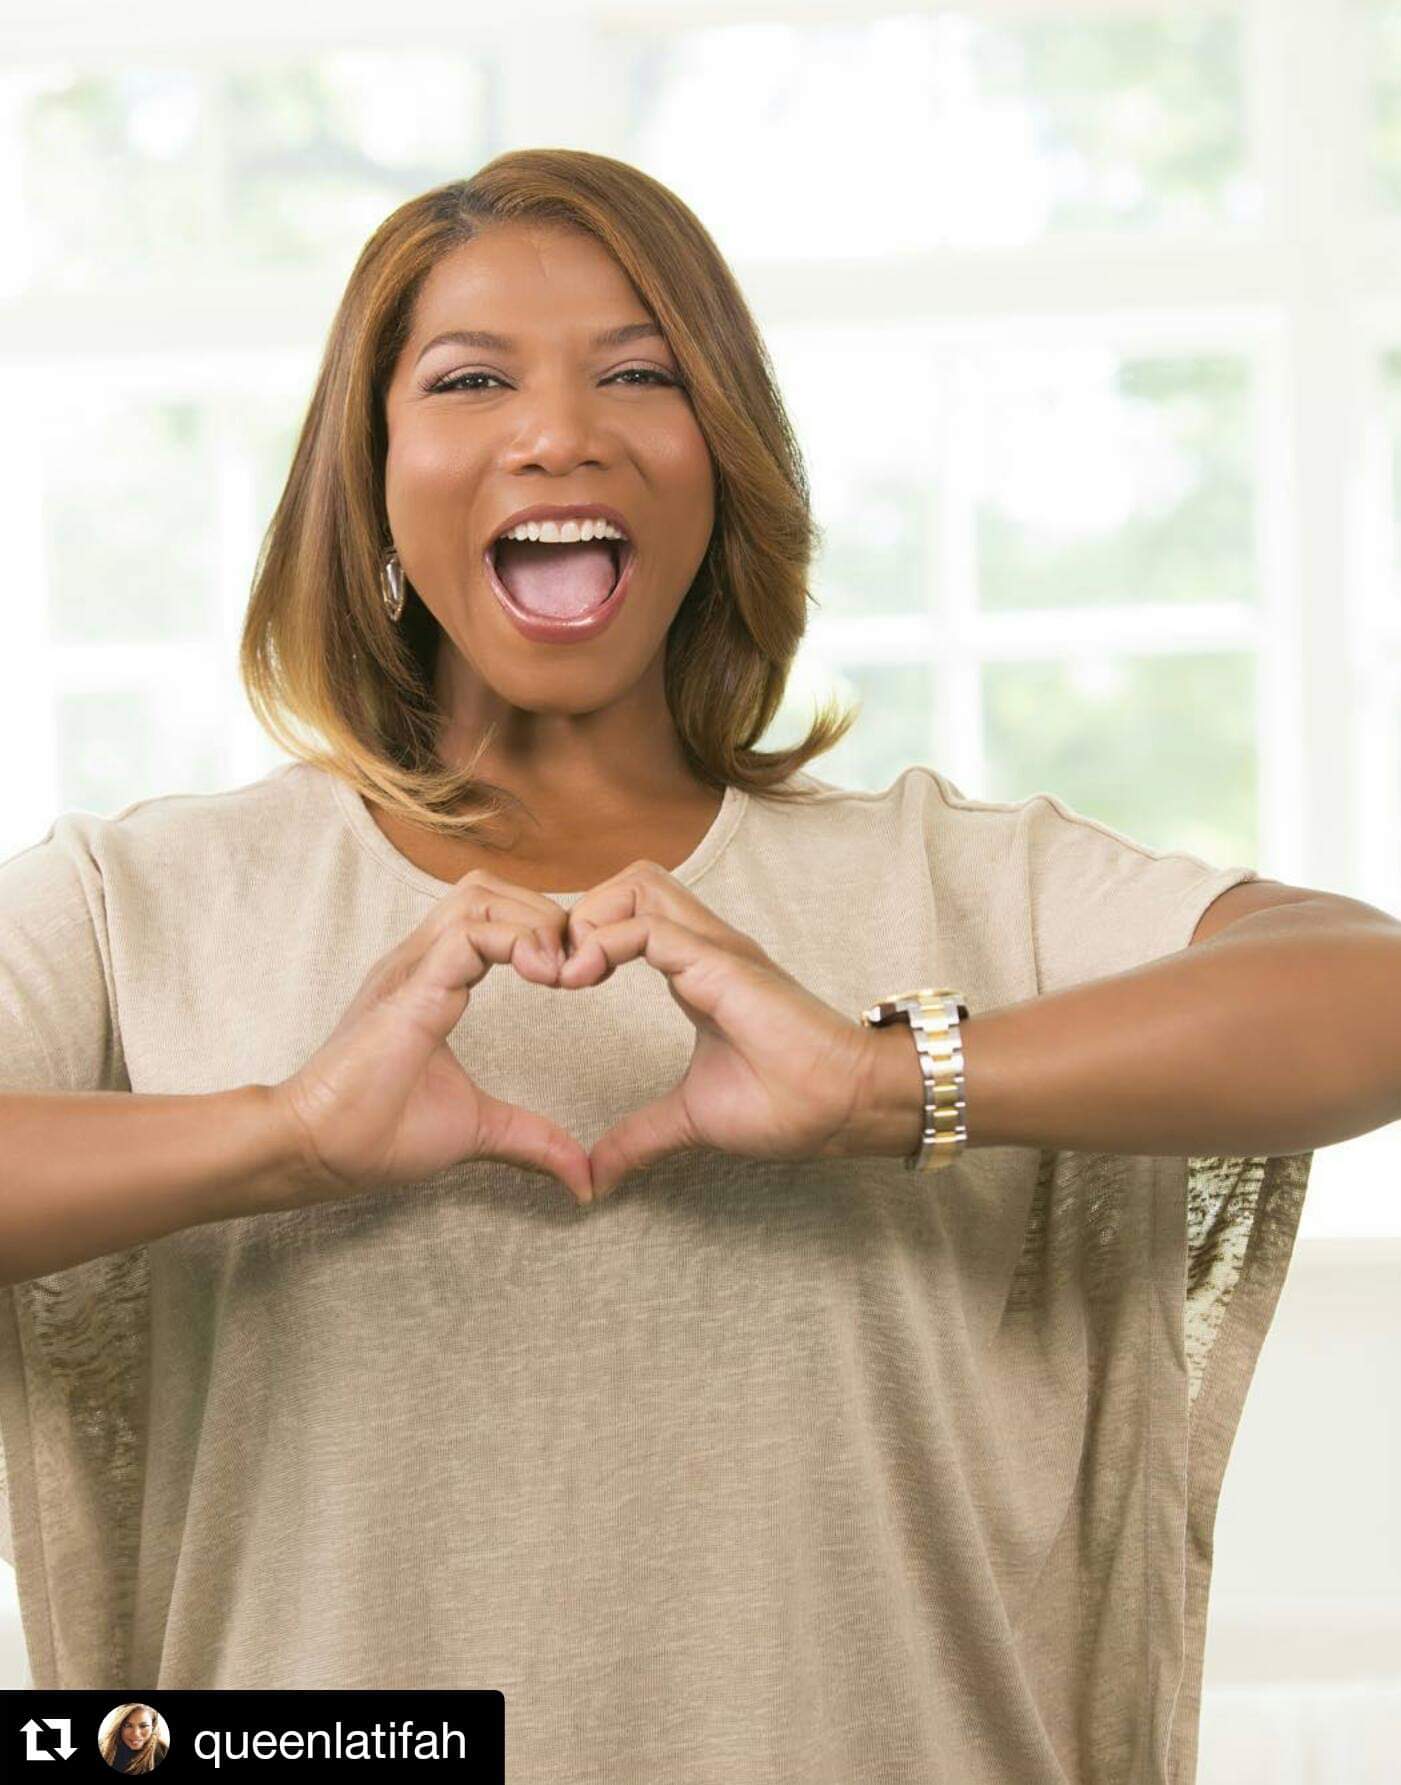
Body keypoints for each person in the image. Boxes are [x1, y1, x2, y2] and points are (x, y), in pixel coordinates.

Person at [1, 148, 1398, 1784]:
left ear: (722, 461)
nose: (559, 432)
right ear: (366, 478)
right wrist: (287, 1135)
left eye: (638, 374)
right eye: (470, 379)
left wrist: (882, 1084)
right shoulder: (139, 901)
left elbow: (1367, 994)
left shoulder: (949, 878)